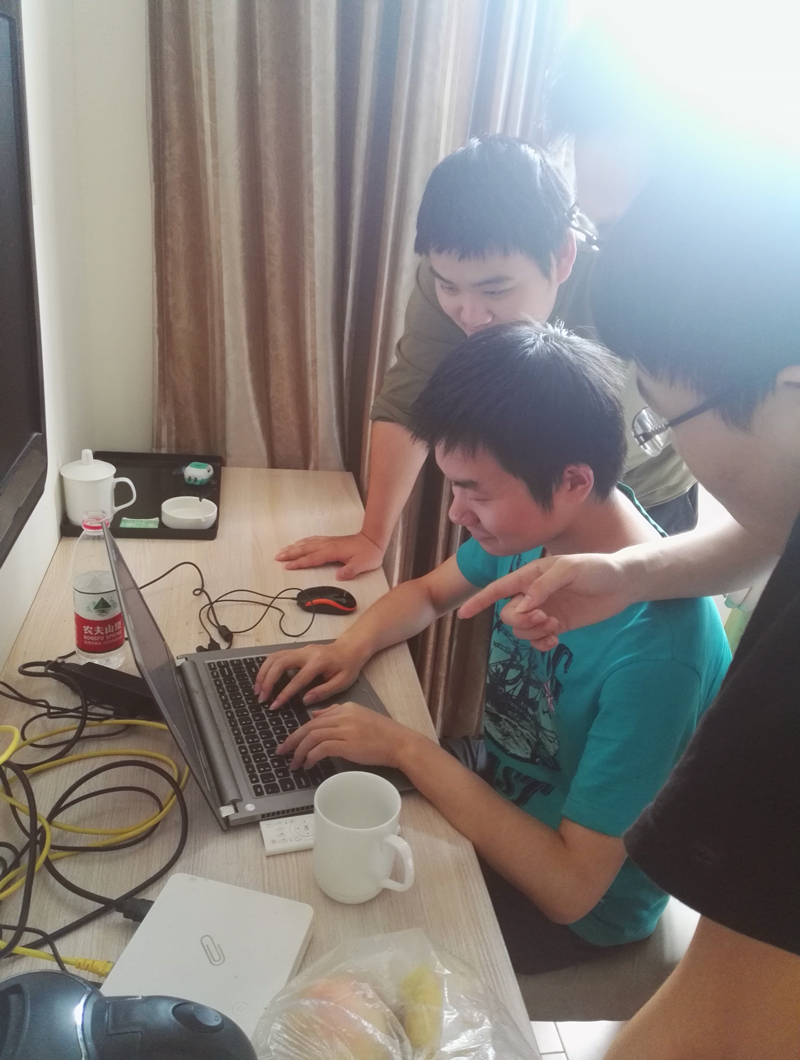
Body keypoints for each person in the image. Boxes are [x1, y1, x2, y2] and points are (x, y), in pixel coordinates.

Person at [457, 141, 800, 1056]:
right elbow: (767, 533)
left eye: (664, 417)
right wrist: (629, 573)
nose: (669, 450)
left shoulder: (735, 671)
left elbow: (728, 1014)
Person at [257, 322, 729, 976]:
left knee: (328, 933)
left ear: (572, 480)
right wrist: (348, 647)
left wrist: (407, 748)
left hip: (581, 905)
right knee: (301, 814)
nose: (456, 513)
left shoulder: (659, 654)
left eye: (474, 490)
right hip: (500, 784)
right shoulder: (552, 531)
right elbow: (428, 593)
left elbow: (570, 889)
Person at [275, 137, 696, 581]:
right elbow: (408, 400)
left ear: (561, 257)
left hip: (642, 493)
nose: (471, 314)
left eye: (496, 290)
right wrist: (373, 537)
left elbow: (641, 431)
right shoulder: (453, 279)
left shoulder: (627, 288)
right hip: (528, 494)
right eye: (449, 287)